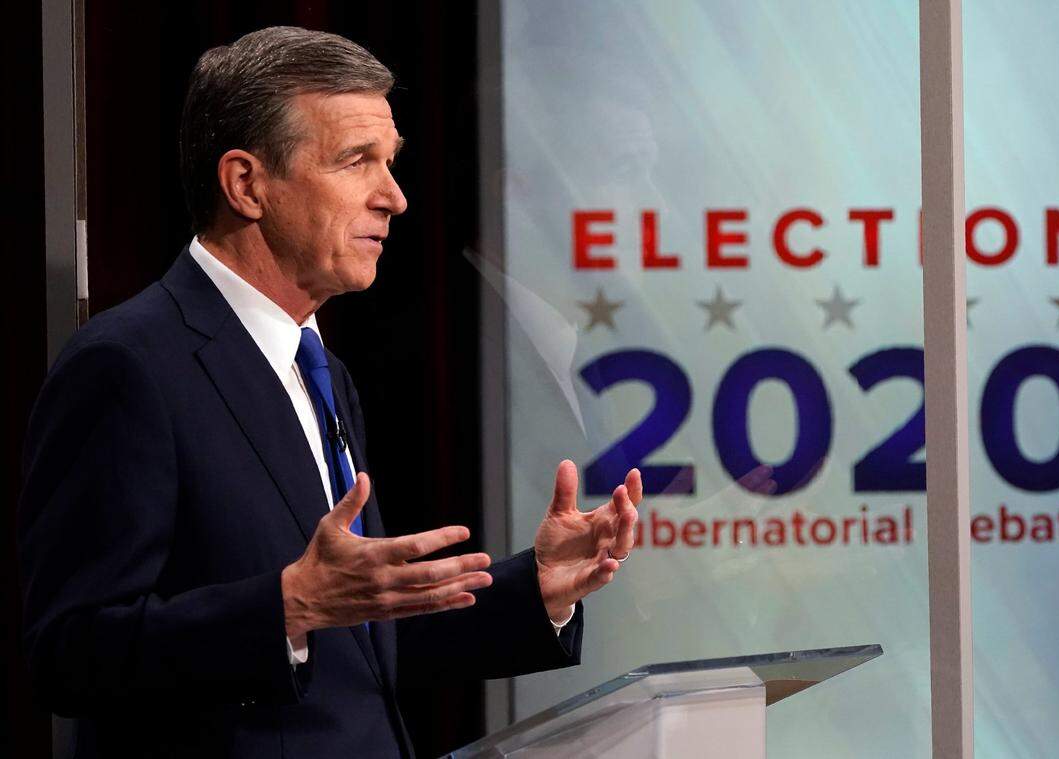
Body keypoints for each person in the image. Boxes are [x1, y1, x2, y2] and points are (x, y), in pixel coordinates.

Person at [19, 26, 642, 758]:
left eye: (391, 162)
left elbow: (361, 645)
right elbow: (72, 653)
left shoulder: (322, 370)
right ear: (247, 184)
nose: (396, 198)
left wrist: (538, 588)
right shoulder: (128, 367)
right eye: (357, 162)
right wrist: (286, 606)